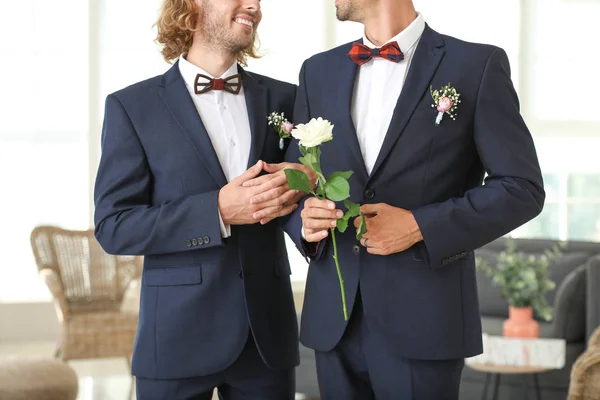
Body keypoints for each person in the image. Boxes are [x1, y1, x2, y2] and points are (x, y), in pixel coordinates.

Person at [272, 0, 545, 398]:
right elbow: (299, 179)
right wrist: (304, 222)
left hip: (426, 323)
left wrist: (420, 225)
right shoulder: (317, 71)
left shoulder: (476, 65)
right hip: (334, 320)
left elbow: (522, 187)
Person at [93, 0, 313, 398]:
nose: (255, 5)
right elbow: (114, 226)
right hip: (176, 338)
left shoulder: (286, 99)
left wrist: (310, 226)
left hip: (266, 339)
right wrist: (217, 212)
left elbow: (290, 204)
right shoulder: (131, 107)